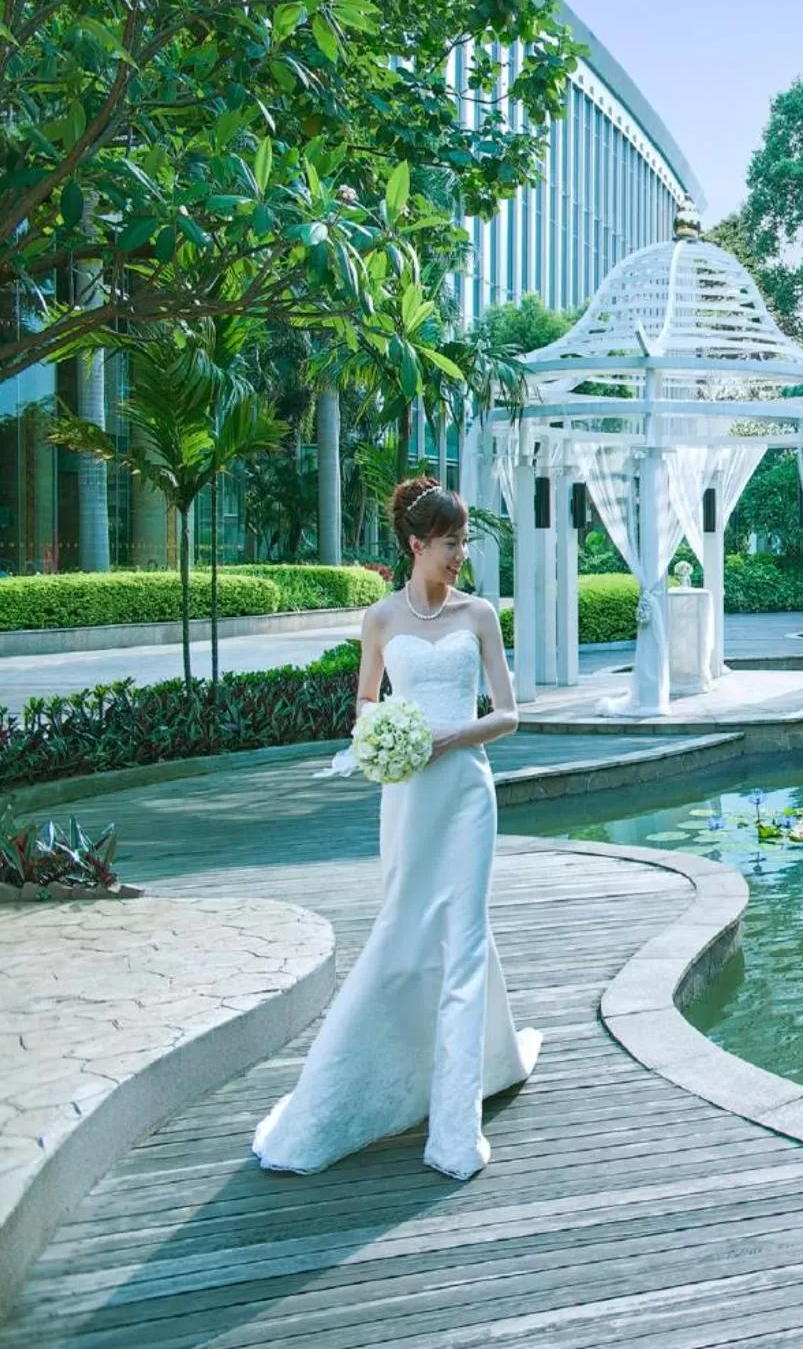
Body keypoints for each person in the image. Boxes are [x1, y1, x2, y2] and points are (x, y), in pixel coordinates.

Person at [253, 476, 541, 1180]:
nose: (459, 556)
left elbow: (508, 714)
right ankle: (372, 1085)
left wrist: (448, 738)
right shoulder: (381, 619)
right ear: (416, 545)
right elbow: (364, 700)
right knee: (406, 939)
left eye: (464, 543)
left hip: (468, 792)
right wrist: (382, 733)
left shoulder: (479, 615)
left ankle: (453, 1131)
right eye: (450, 544)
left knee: (465, 942)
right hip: (408, 798)